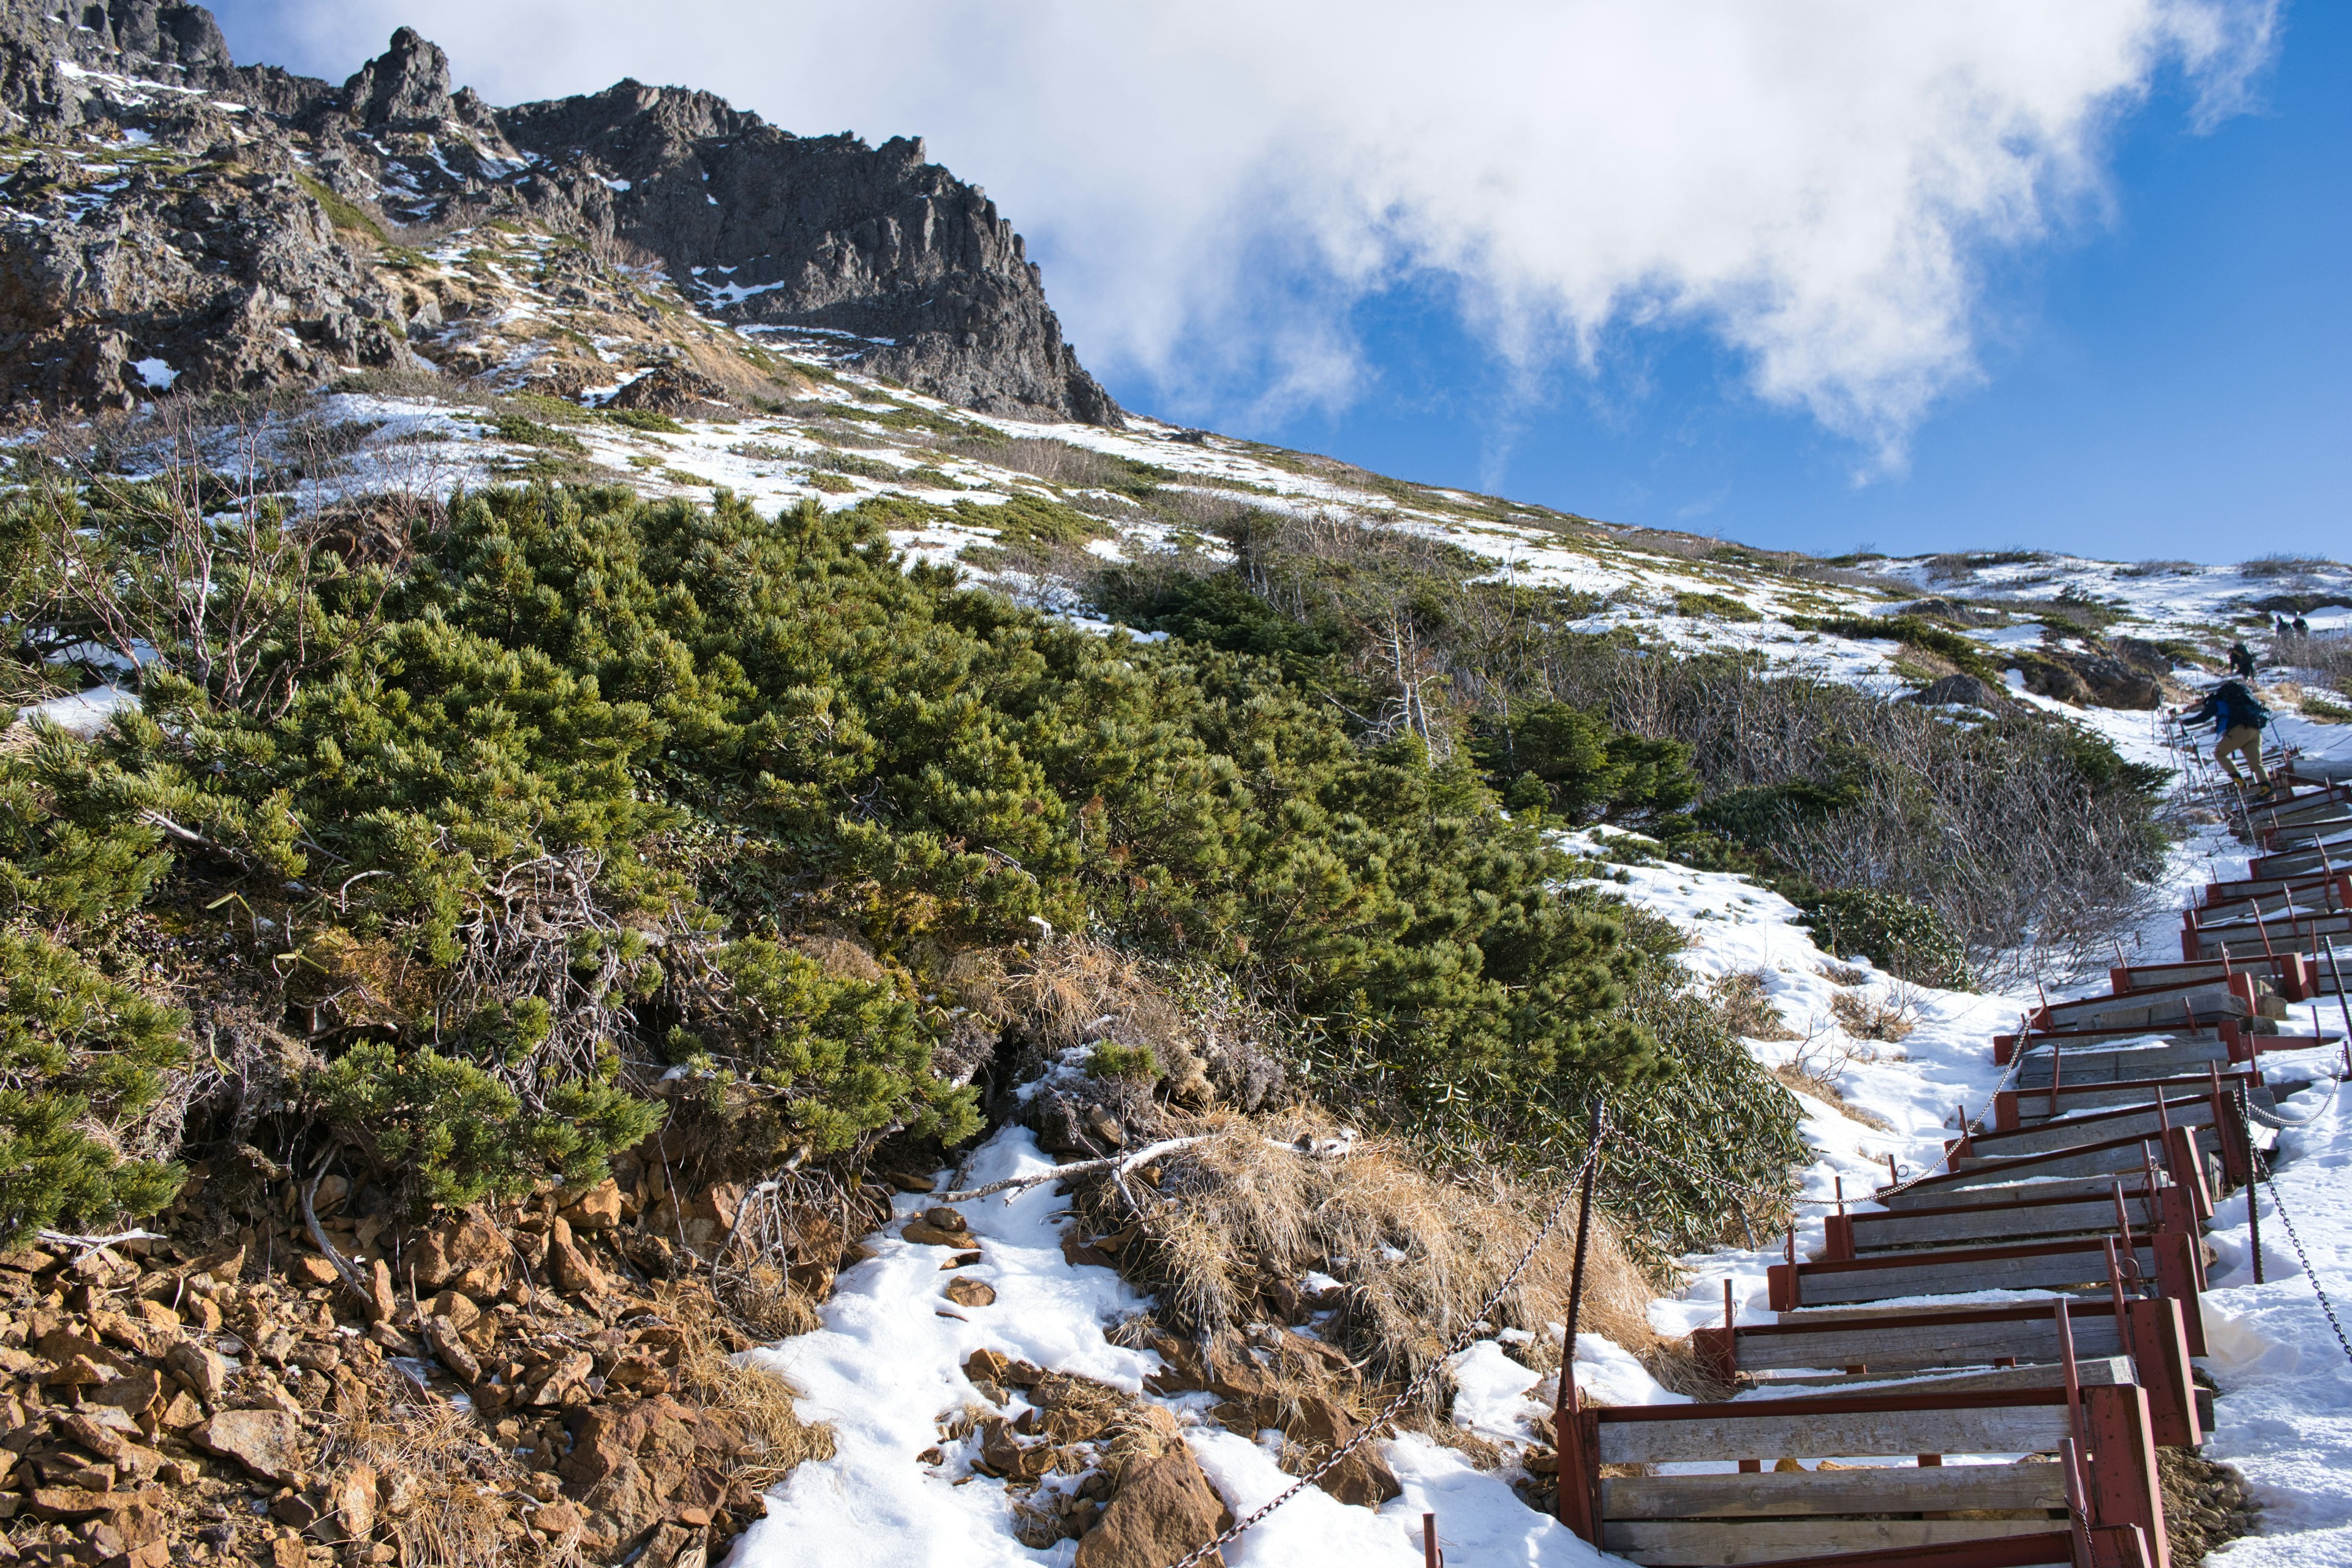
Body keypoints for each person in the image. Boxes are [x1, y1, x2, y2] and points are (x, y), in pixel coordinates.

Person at [2174, 679, 2272, 791]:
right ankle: (2267, 789)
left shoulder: (2219, 701)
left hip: (2240, 731)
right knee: (2256, 764)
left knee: (2220, 754)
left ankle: (2238, 780)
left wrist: (2186, 722)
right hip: (2256, 730)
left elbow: (2203, 718)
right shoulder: (2246, 699)